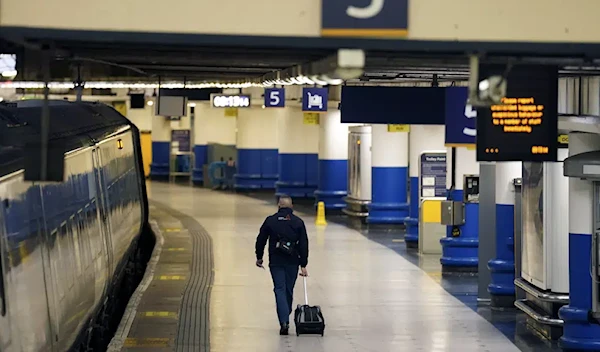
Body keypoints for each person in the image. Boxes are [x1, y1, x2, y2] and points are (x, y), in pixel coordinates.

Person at [255, 195, 309, 335]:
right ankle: (285, 315)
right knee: (288, 290)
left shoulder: (270, 221)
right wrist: (303, 263)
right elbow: (303, 244)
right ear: (292, 207)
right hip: (293, 262)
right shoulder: (298, 222)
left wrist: (259, 257)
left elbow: (261, 239)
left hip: (276, 261)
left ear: (278, 206)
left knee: (279, 289)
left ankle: (284, 321)